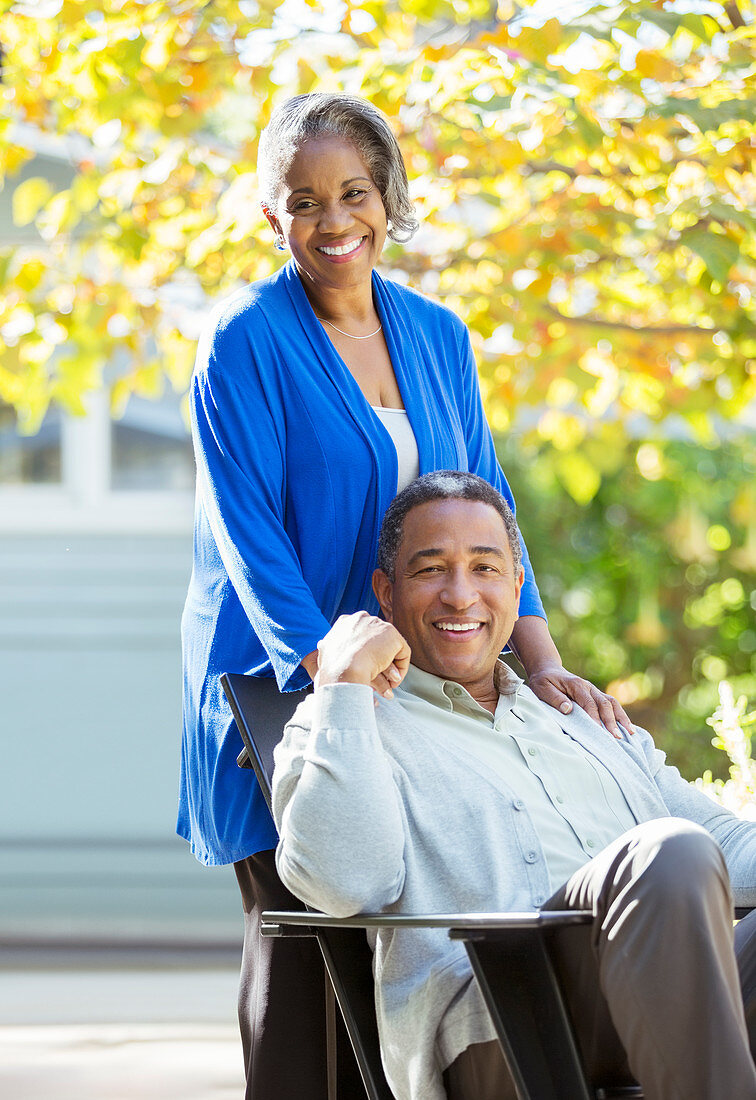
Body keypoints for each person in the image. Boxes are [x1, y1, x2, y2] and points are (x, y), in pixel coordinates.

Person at [178, 93, 633, 1097]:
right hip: (285, 678)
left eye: (352, 192)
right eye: (303, 200)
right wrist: (329, 667)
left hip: (416, 682)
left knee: (406, 935)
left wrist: (539, 654)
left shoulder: (437, 334)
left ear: (388, 198)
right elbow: (246, 532)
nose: (331, 220)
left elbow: (486, 503)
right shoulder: (245, 338)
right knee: (307, 947)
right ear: (272, 216)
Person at [272, 470, 756, 1100]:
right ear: (385, 595)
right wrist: (339, 688)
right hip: (507, 1015)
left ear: (517, 586)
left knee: (679, 850)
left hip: (667, 988)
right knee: (668, 852)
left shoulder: (577, 713)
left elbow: (722, 837)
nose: (460, 595)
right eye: (430, 570)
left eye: (485, 568)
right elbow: (343, 882)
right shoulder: (347, 723)